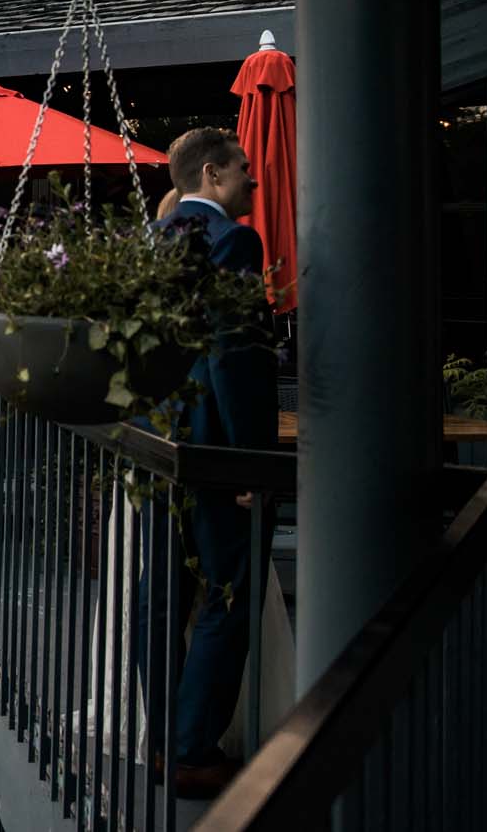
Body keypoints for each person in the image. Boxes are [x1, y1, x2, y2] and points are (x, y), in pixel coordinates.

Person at [137, 127, 278, 799]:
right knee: (228, 592)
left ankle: (164, 736)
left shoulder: (154, 239)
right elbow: (236, 357)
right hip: (214, 449)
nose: (255, 180)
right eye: (246, 169)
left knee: (163, 591)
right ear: (215, 173)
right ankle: (190, 749)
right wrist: (253, 464)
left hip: (155, 445)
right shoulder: (233, 241)